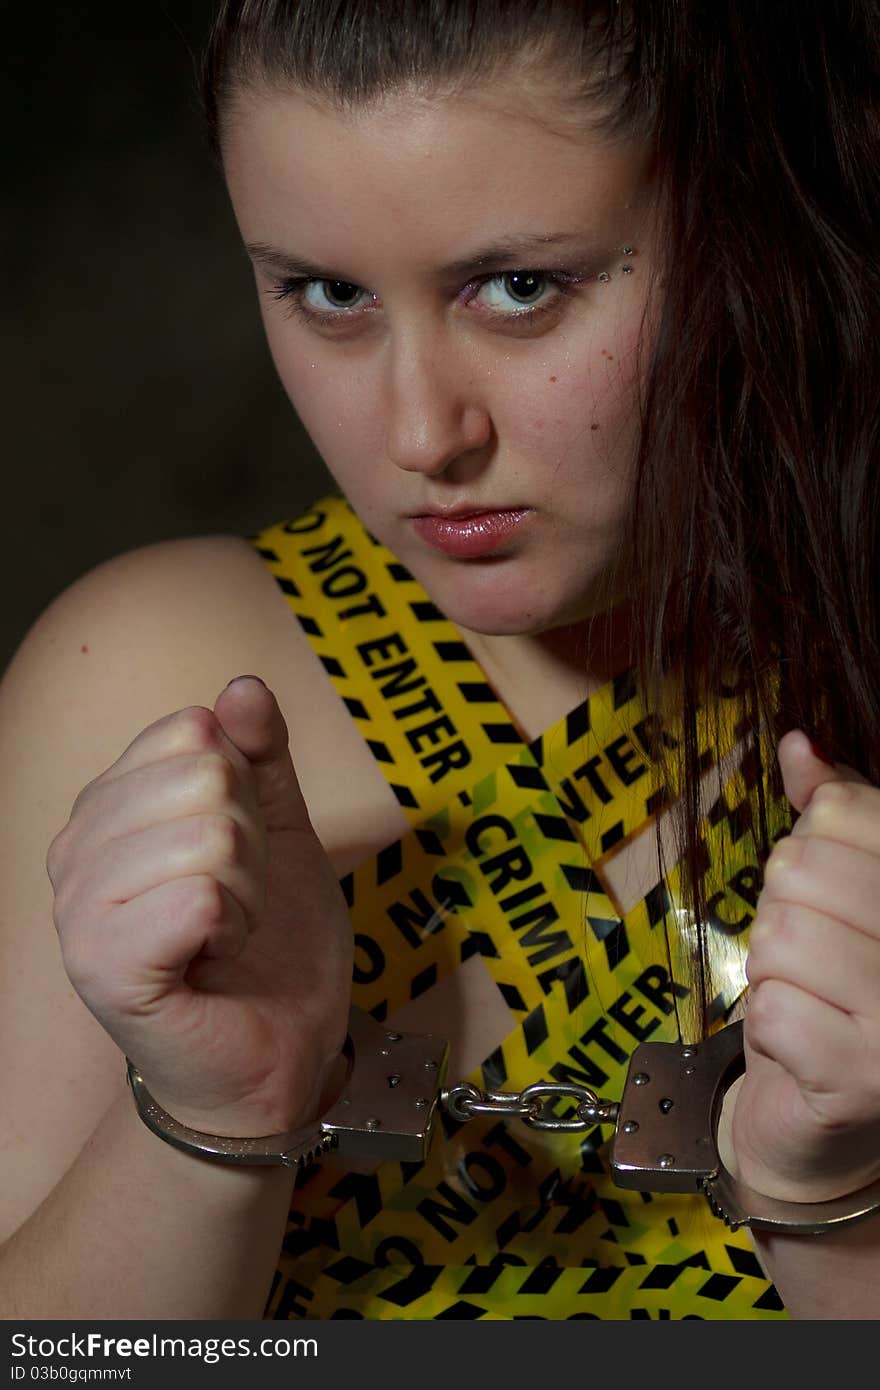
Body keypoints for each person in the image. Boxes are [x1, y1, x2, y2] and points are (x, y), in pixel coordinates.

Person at [1, 0, 878, 1321]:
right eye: (327, 293)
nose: (422, 433)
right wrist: (207, 1122)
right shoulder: (152, 678)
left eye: (519, 288)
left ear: (753, 224)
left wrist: (835, 1204)